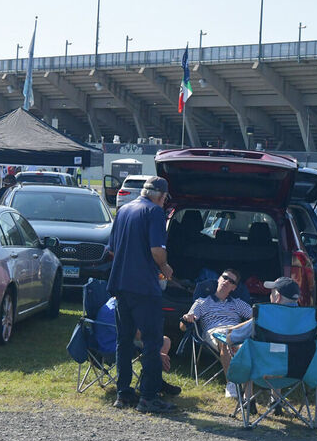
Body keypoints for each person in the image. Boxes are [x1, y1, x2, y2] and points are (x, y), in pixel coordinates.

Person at [108, 176, 176, 414]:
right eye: (165, 198)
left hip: (120, 283)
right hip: (144, 288)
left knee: (124, 340)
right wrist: (164, 267)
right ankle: (148, 396)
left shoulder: (124, 210)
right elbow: (157, 250)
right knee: (152, 341)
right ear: (161, 196)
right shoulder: (155, 213)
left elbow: (113, 249)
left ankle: (123, 392)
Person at [182, 268, 252, 397]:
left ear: (234, 288)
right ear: (219, 279)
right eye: (225, 277)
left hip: (235, 331)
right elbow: (183, 325)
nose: (226, 281)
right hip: (214, 331)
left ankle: (247, 389)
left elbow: (256, 316)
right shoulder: (202, 302)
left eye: (231, 281)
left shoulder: (238, 303)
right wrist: (187, 318)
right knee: (224, 341)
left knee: (248, 346)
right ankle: (232, 384)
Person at [95, 296, 180, 397]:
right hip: (114, 347)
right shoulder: (118, 308)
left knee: (165, 340)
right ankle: (151, 383)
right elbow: (138, 334)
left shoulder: (115, 302)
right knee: (161, 342)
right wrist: (156, 352)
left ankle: (154, 381)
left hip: (118, 340)